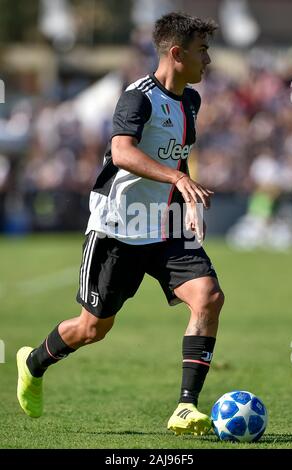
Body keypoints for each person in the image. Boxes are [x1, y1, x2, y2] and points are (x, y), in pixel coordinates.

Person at [17, 12, 224, 436]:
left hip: (165, 225)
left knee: (209, 297)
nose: (210, 59)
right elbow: (122, 153)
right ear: (176, 53)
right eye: (203, 50)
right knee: (93, 328)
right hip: (118, 227)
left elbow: (176, 155)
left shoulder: (191, 101)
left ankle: (185, 407)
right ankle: (33, 362)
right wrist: (179, 179)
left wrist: (182, 197)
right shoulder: (138, 97)